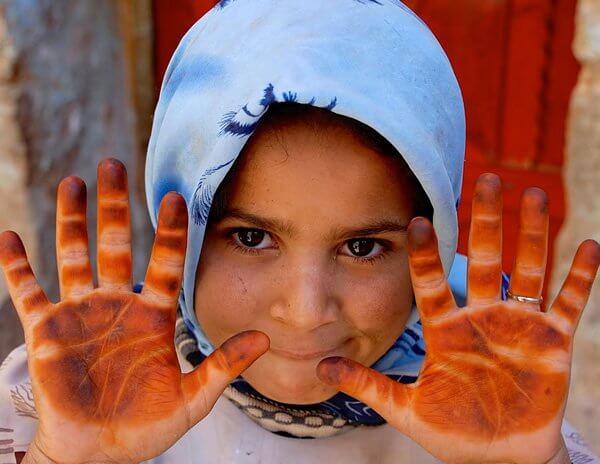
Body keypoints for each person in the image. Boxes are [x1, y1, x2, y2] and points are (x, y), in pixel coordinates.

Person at [0, 0, 598, 462]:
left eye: (363, 247)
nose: (307, 311)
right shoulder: (69, 393)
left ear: (433, 244)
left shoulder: (501, 412)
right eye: (252, 237)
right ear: (181, 226)